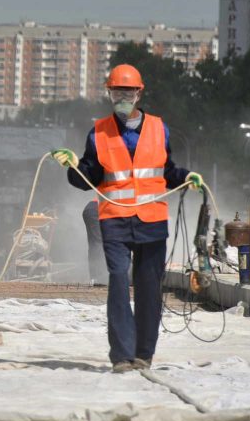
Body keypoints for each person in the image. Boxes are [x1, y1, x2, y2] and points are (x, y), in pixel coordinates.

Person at [51, 63, 204, 373]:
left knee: (149, 289)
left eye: (128, 92)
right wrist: (73, 166)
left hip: (151, 220)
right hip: (115, 220)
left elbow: (167, 171)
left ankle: (143, 354)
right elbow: (89, 177)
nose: (122, 97)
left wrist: (188, 176)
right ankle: (121, 356)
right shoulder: (99, 132)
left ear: (139, 93)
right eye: (116, 92)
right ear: (109, 94)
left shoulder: (160, 129)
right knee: (119, 281)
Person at [82, 199, 106, 284]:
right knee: (98, 243)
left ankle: (95, 277)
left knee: (95, 243)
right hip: (96, 209)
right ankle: (99, 278)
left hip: (93, 208)